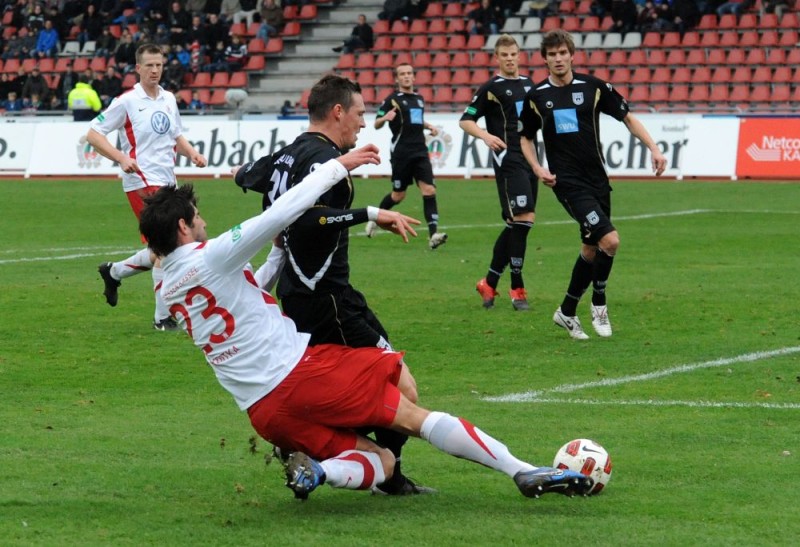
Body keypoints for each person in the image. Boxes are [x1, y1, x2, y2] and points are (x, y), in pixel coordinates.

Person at [139, 147, 594, 501]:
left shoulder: (168, 286)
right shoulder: (213, 255)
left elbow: (245, 293)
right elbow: (282, 210)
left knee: (380, 462)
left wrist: (278, 252)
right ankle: (520, 470)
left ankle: (317, 471)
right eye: (197, 218)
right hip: (302, 376)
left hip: (263, 412)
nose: (204, 222)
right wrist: (338, 166)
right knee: (411, 412)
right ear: (183, 227)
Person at [233, 74, 433, 496]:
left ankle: (322, 452)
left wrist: (272, 207)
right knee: (401, 387)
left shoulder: (288, 153)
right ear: (338, 111)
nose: (363, 123)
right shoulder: (329, 168)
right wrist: (369, 214)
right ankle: (379, 473)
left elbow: (244, 174)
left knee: (341, 389)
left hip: (296, 298)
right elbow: (311, 219)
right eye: (359, 113)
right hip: (329, 299)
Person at [518, 29, 667, 340]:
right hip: (567, 183)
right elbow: (525, 137)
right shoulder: (536, 96)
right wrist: (536, 168)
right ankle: (599, 303)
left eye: (563, 53)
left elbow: (628, 117)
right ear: (544, 59)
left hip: (598, 179)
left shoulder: (594, 87)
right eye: (552, 54)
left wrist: (653, 148)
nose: (558, 59)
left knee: (590, 248)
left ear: (572, 55)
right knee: (610, 241)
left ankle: (567, 311)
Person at [88, 43, 208, 330]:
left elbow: (176, 134)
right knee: (171, 246)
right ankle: (162, 317)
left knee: (173, 242)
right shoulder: (127, 101)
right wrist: (120, 157)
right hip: (141, 182)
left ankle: (114, 272)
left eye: (159, 65)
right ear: (137, 68)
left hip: (168, 180)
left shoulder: (168, 98)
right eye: (149, 65)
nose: (155, 70)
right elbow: (93, 133)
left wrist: (191, 153)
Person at [459, 34, 536, 312]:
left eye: (514, 54)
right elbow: (465, 120)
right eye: (505, 55)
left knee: (518, 223)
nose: (510, 59)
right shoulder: (491, 87)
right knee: (524, 218)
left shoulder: (529, 84)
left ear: (519, 54)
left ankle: (489, 282)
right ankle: (517, 287)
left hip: (530, 158)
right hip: (508, 160)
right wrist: (485, 136)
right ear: (497, 58)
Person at [371, 63, 447, 250]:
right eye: (402, 74)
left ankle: (433, 235)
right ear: (397, 79)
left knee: (429, 190)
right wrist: (384, 118)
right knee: (398, 196)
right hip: (401, 153)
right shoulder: (392, 99)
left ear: (414, 77)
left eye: (409, 73)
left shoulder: (419, 99)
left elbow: (415, 120)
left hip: (420, 151)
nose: (406, 76)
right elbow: (376, 124)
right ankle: (375, 218)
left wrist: (428, 126)